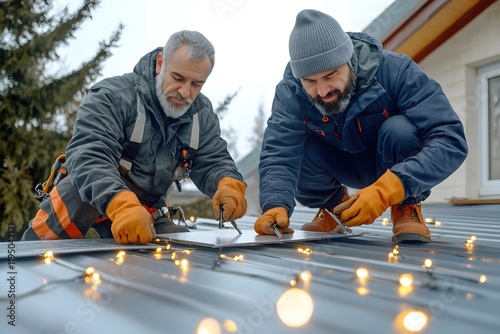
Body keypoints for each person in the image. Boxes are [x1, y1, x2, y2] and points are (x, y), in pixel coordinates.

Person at [254, 9, 468, 244]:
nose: (323, 91)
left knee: (401, 130)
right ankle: (334, 209)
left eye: (330, 75)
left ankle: (406, 207)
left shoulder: (396, 71)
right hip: (339, 164)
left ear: (349, 60)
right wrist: (274, 204)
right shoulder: (290, 94)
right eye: (310, 81)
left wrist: (392, 187)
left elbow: (450, 139)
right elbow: (279, 154)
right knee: (300, 146)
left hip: (390, 164)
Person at [22, 30, 247, 244]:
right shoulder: (113, 96)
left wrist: (228, 185)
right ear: (160, 63)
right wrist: (122, 206)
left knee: (177, 256)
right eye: (178, 78)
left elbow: (214, 159)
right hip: (89, 196)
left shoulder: (201, 115)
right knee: (40, 256)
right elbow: (89, 155)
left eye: (196, 84)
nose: (185, 92)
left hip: (147, 210)